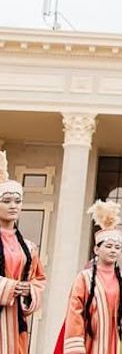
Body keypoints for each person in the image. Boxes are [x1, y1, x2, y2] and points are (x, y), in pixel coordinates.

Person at [58, 200, 122, 354]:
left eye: (117, 247)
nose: (113, 251)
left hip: (119, 341)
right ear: (96, 249)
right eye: (108, 246)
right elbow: (75, 312)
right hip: (90, 341)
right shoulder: (84, 278)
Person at [0, 150, 45, 354]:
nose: (13, 206)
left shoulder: (29, 247)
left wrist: (29, 290)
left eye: (17, 201)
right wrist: (9, 287)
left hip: (16, 320)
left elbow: (39, 279)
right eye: (7, 201)